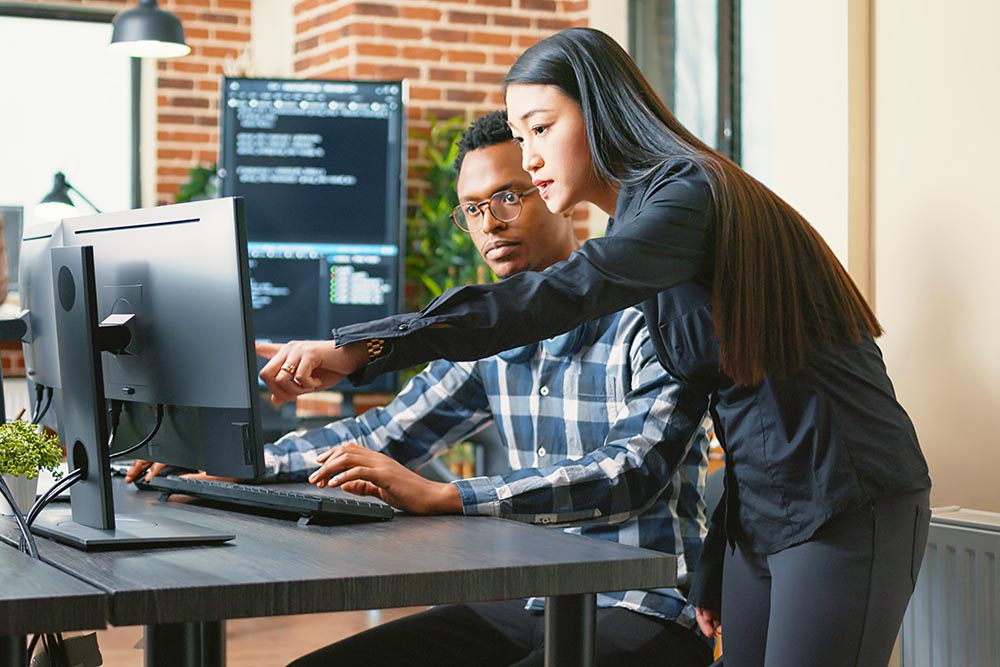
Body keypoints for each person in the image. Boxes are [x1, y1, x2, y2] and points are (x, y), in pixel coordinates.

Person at [257, 29, 933, 667]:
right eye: (520, 136)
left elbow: (566, 293)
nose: (529, 158)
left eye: (540, 129)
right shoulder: (648, 222)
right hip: (760, 510)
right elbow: (747, 401)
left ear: (602, 111)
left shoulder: (688, 196)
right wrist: (720, 552)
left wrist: (365, 347)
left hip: (845, 496)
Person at [131, 110, 715, 667]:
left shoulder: (651, 315)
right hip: (531, 598)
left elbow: (629, 471)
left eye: (508, 197)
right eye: (473, 209)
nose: (489, 223)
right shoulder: (489, 336)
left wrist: (446, 495)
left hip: (646, 604)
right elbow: (383, 434)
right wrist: (228, 464)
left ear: (553, 190)